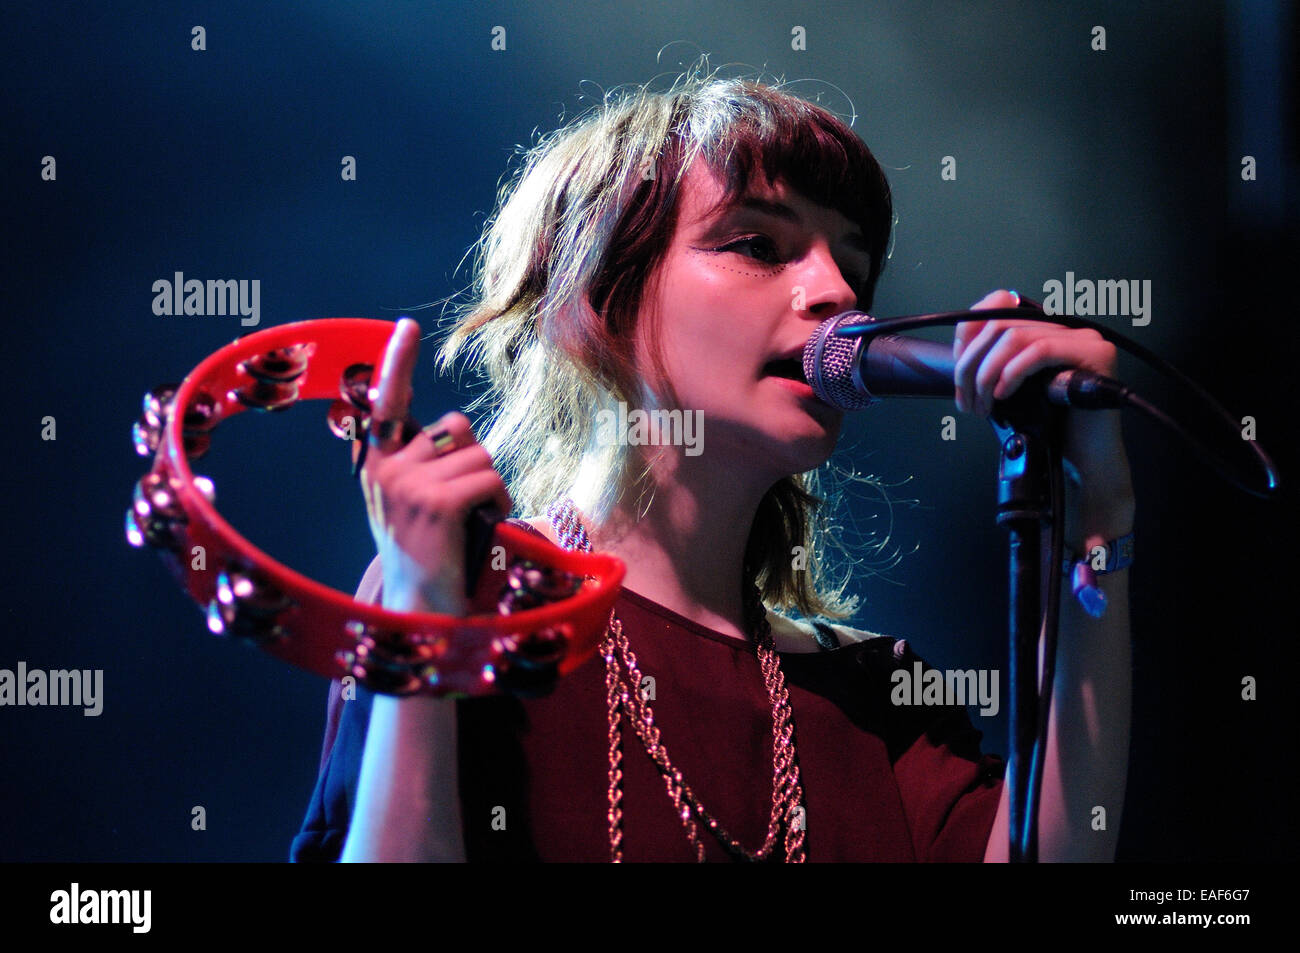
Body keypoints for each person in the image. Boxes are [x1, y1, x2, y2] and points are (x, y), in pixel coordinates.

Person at [291, 70, 1134, 863]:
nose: (837, 291)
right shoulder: (464, 603)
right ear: (598, 303)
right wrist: (422, 606)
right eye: (758, 245)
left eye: (853, 264)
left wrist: (1095, 519)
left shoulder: (871, 696)